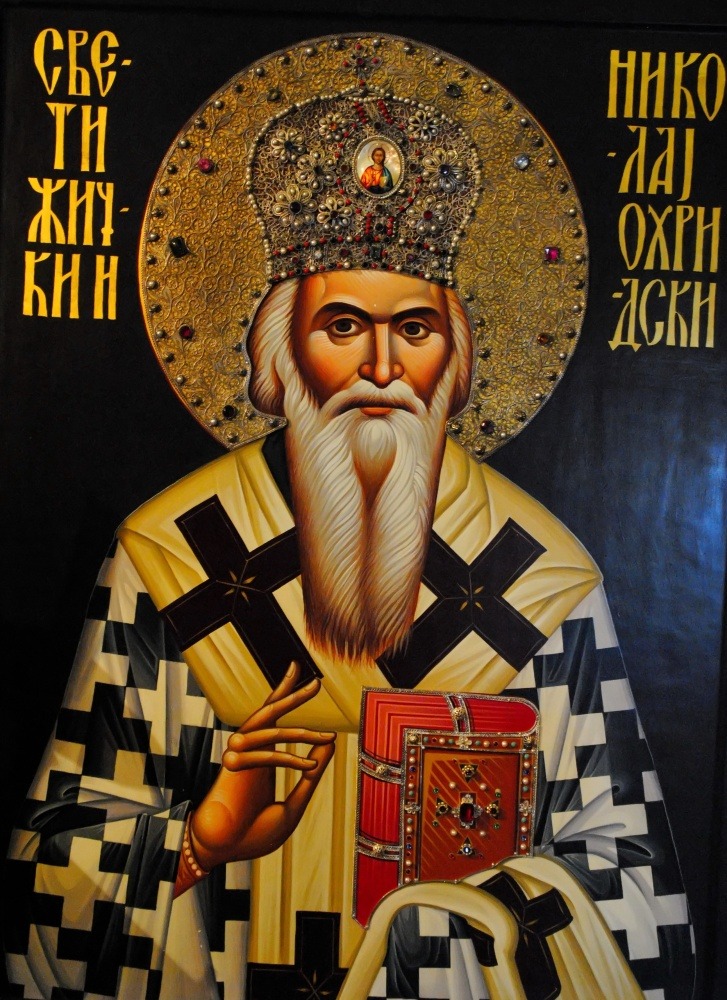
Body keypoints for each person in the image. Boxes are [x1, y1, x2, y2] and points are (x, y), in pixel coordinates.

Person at [5, 35, 694, 1000]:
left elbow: (629, 874)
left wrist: (454, 921)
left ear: (453, 359)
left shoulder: (541, 578)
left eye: (412, 329)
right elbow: (55, 852)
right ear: (280, 353)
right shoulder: (170, 556)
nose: (380, 368)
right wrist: (199, 840)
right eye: (342, 327)